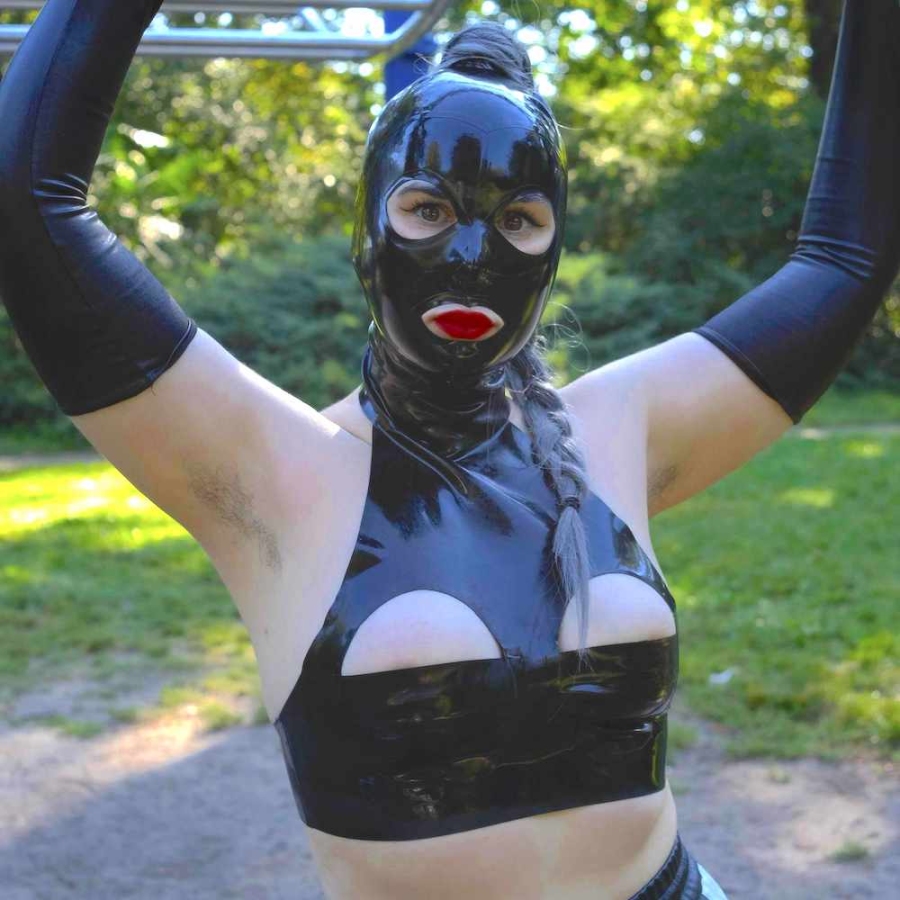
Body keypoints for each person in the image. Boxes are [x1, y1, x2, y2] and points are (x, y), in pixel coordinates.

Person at [0, 1, 896, 897]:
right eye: (428, 209)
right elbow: (27, 203)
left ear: (554, 250)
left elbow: (847, 258)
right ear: (366, 232)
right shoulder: (275, 471)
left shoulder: (618, 428)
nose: (472, 256)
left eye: (520, 221)